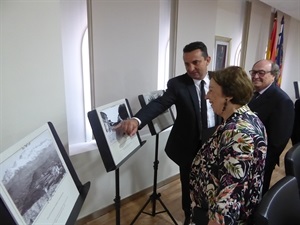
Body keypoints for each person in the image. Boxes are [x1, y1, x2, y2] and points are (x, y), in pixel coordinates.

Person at [116, 41, 221, 225]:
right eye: (187, 63)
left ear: (208, 60)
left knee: (214, 184)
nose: (191, 68)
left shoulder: (219, 80)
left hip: (215, 142)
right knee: (188, 186)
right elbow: (160, 103)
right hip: (189, 146)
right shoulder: (177, 84)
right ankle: (189, 217)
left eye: (196, 62)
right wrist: (136, 120)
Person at [190, 66, 267, 225]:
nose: (207, 96)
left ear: (229, 95)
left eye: (211, 90)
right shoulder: (247, 116)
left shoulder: (237, 133)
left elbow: (232, 193)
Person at [248, 59, 294, 195]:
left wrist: (262, 164)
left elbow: (278, 141)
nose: (256, 76)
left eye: (261, 73)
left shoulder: (282, 101)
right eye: (254, 72)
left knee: (256, 197)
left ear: (273, 75)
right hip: (245, 156)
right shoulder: (252, 93)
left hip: (260, 162)